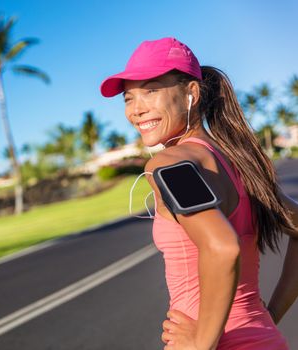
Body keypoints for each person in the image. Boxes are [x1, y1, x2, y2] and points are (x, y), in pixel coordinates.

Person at [99, 37, 298, 349]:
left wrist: (202, 343)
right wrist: (271, 314)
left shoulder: (167, 164)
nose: (137, 110)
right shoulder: (240, 163)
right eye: (128, 98)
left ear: (191, 93)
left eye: (151, 90)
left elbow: (222, 247)